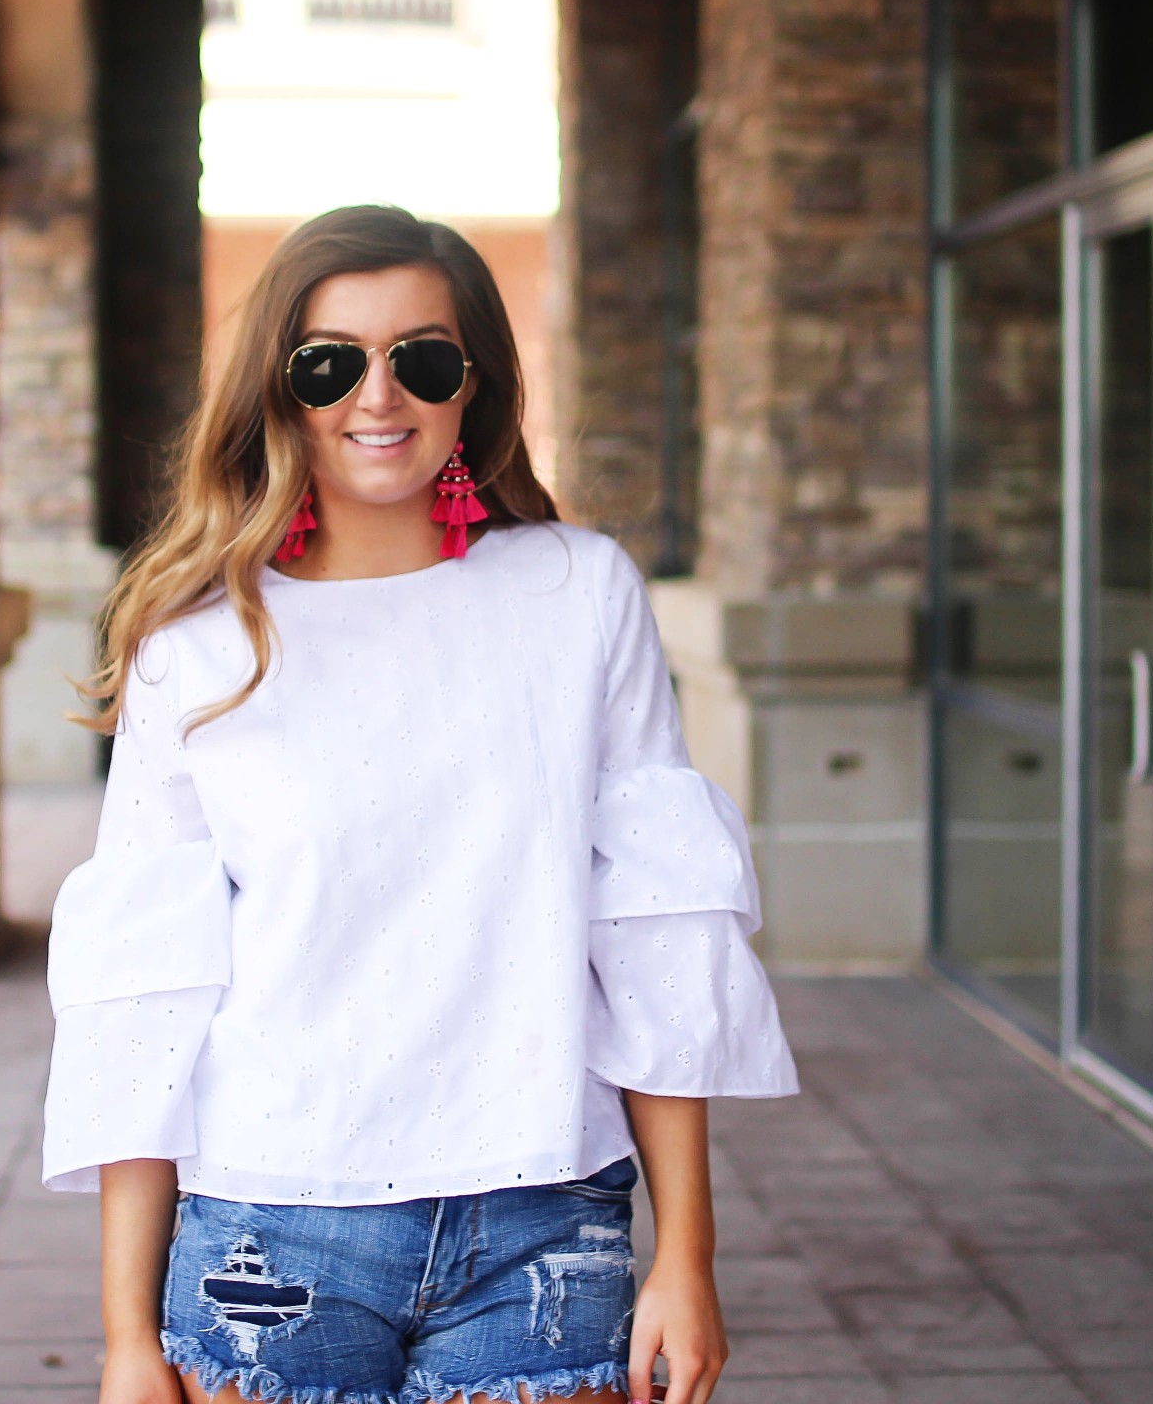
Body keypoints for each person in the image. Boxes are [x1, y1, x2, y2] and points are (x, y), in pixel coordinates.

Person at [44, 205, 796, 1404]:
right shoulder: (195, 646)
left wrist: (687, 1257)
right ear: (279, 390)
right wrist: (127, 1338)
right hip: (271, 1230)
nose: (378, 396)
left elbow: (652, 930)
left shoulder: (578, 593)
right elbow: (144, 990)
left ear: (474, 384)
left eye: (423, 359)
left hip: (545, 1219)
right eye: (331, 361)